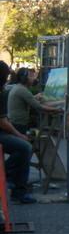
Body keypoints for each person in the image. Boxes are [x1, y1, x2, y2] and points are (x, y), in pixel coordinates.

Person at [0, 61, 36, 204]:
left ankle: (9, 177)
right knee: (25, 147)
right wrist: (19, 134)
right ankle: (18, 190)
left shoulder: (8, 90)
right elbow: (2, 122)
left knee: (21, 147)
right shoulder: (2, 92)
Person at [7, 67, 62, 134]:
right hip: (18, 125)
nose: (34, 78)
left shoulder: (18, 87)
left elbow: (25, 99)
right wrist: (56, 109)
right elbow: (39, 107)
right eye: (31, 76)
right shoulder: (23, 90)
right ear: (24, 78)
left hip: (14, 122)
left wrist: (34, 97)